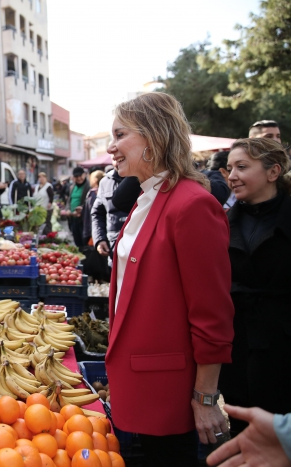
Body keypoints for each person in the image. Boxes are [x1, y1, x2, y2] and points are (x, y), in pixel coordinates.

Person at [104, 92, 234, 466]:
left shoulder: (191, 204)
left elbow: (212, 314)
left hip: (169, 391)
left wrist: (205, 398)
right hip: (142, 379)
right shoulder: (147, 197)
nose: (112, 147)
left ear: (153, 136)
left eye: (120, 134)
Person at [218, 138, 291, 438]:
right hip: (238, 346)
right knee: (242, 429)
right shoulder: (222, 220)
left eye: (242, 167)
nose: (231, 175)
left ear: (273, 172)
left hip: (282, 347)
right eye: (230, 167)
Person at [91, 169, 131, 258]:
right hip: (113, 245)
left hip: (137, 244)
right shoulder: (105, 182)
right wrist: (100, 239)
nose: (116, 157)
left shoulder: (143, 178)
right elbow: (97, 213)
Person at [82, 170, 105, 245]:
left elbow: (92, 212)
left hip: (93, 228)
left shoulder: (93, 193)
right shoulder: (105, 190)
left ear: (94, 180)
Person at [67, 167, 88, 248]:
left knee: (84, 241)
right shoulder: (72, 187)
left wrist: (81, 210)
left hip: (83, 219)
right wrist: (68, 209)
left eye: (80, 176)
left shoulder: (88, 186)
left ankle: (85, 259)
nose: (79, 178)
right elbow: (69, 200)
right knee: (76, 239)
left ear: (84, 175)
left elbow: (89, 202)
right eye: (76, 177)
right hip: (73, 218)